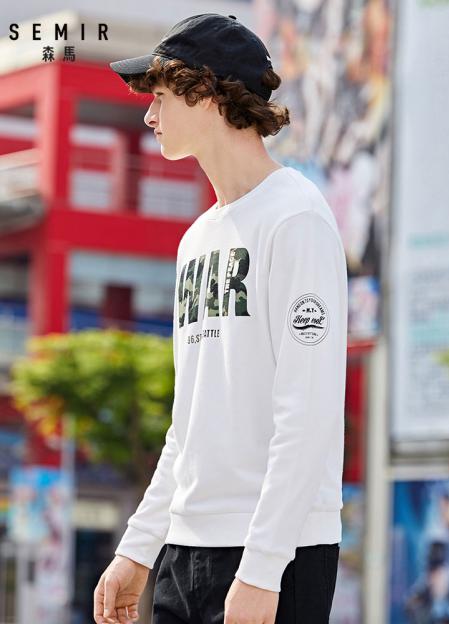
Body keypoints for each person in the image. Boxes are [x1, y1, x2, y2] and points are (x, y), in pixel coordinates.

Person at [94, 12, 348, 624]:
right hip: (187, 551)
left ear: (205, 91)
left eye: (159, 96)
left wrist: (263, 568)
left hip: (277, 554)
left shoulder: (296, 218)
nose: (149, 116)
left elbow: (309, 412)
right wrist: (138, 546)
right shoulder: (197, 240)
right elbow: (189, 422)